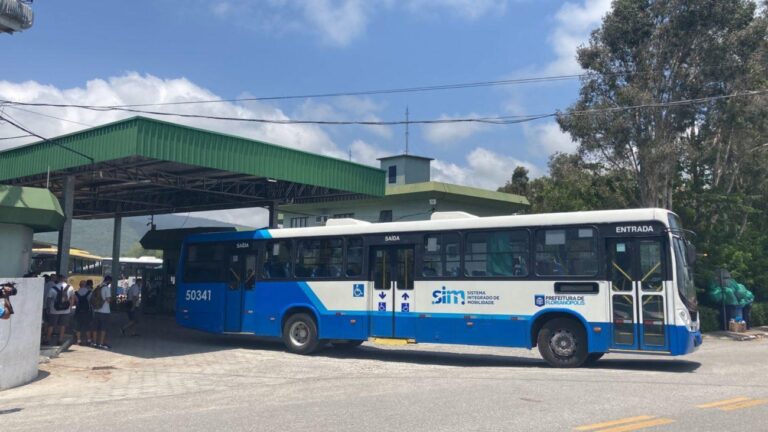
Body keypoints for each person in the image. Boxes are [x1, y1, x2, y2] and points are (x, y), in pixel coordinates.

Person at [45, 274, 74, 345]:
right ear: (64, 279)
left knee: (51, 325)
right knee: (62, 325)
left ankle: (47, 339)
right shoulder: (70, 288)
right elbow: (72, 298)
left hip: (54, 310)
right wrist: (70, 307)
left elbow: (49, 299)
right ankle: (60, 340)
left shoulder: (53, 288)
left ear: (57, 279)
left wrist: (48, 307)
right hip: (65, 310)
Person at [91, 275, 113, 349]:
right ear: (109, 281)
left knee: (95, 328)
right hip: (105, 311)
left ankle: (94, 343)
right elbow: (108, 300)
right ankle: (101, 343)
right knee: (103, 328)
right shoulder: (106, 288)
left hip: (96, 310)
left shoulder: (98, 287)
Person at [73, 280, 94, 346]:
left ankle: (79, 340)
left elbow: (75, 302)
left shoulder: (76, 293)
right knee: (87, 326)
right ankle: (89, 340)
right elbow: (91, 302)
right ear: (85, 285)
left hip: (78, 311)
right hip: (87, 311)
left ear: (79, 285)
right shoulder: (89, 292)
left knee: (78, 326)